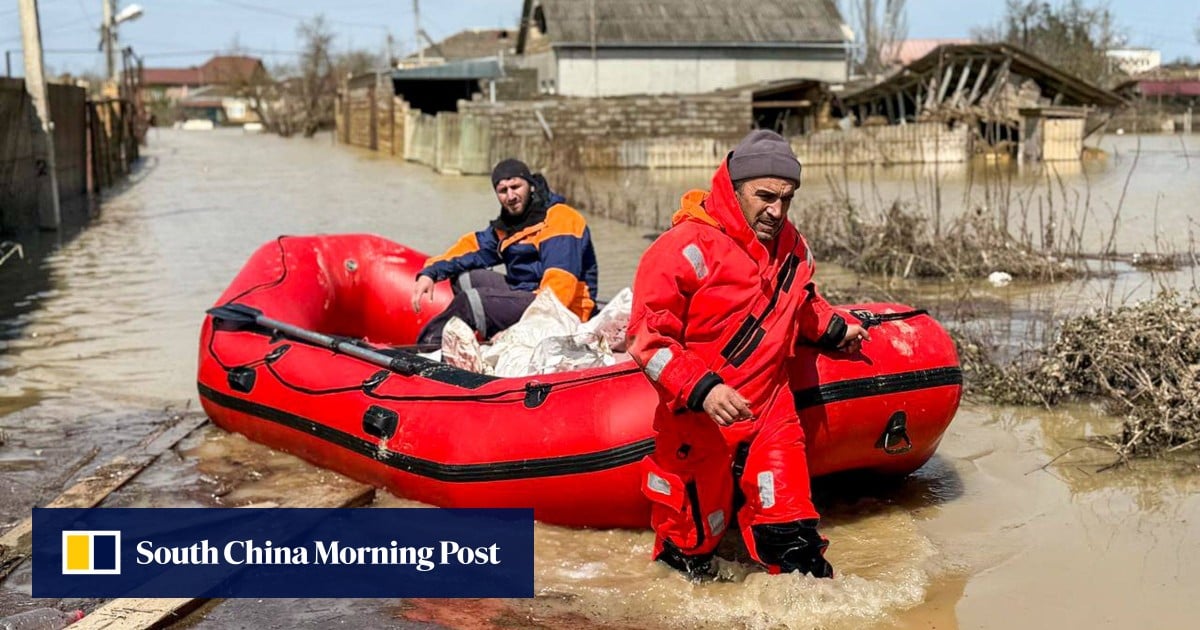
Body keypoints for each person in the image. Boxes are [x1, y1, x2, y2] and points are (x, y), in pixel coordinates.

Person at [626, 130, 869, 580]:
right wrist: (703, 389)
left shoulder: (792, 246)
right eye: (766, 197)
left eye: (787, 199)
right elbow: (648, 338)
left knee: (796, 543)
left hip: (770, 411)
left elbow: (801, 302)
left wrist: (835, 329)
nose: (777, 211)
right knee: (688, 556)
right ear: (734, 188)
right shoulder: (682, 248)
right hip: (699, 419)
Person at [412, 158, 598, 345]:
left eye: (516, 187)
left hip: (566, 313)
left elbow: (559, 291)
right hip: (527, 293)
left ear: (531, 186)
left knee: (471, 301)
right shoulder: (509, 225)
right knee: (466, 278)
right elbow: (470, 248)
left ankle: (425, 350)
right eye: (503, 191)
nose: (511, 196)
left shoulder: (561, 219)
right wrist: (430, 272)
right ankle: (481, 341)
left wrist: (516, 331)